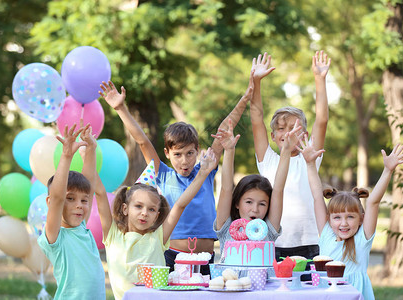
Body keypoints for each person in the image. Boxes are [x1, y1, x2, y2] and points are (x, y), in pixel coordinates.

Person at [99, 73, 254, 274]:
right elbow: (142, 141)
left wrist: (244, 99)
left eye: (190, 153)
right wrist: (121, 108)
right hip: (172, 257)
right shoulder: (162, 174)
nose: (184, 160)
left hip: (206, 258)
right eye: (178, 154)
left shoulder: (205, 169)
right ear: (167, 154)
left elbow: (223, 130)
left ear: (197, 151)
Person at [94, 148, 216, 299]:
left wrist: (203, 173)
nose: (144, 213)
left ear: (157, 215)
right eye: (138, 206)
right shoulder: (113, 235)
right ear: (125, 208)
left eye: (151, 209)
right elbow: (99, 193)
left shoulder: (158, 237)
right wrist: (89, 154)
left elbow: (180, 205)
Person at [300, 137, 403, 300]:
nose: (343, 223)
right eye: (337, 217)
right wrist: (310, 165)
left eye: (350, 217)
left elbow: (373, 202)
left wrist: (388, 170)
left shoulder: (362, 238)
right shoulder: (326, 234)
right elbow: (317, 196)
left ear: (361, 219)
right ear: (329, 219)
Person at [249, 51, 331, 260]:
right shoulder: (268, 160)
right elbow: (256, 119)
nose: (288, 133)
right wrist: (255, 82)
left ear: (304, 134)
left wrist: (319, 79)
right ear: (273, 136)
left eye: (294, 128)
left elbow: (321, 119)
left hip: (312, 243)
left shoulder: (310, 156)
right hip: (274, 243)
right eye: (282, 128)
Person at [213, 118, 301, 265]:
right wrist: (229, 150)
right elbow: (226, 188)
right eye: (248, 202)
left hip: (264, 288)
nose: (255, 209)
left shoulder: (268, 231)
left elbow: (278, 190)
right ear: (237, 203)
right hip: (232, 286)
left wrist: (285, 151)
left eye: (262, 204)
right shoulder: (226, 228)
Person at [37, 124, 106, 300]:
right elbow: (58, 198)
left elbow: (89, 184)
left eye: (84, 201)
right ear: (51, 202)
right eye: (71, 198)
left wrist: (90, 149)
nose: (79, 205)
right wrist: (67, 155)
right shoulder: (55, 238)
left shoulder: (82, 227)